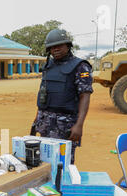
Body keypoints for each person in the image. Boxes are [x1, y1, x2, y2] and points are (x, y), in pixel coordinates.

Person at [31, 29, 93, 164]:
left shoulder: (80, 66)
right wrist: (37, 119)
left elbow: (85, 96)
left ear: (68, 45)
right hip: (45, 122)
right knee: (43, 162)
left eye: (59, 45)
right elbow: (43, 92)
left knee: (63, 164)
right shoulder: (48, 65)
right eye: (52, 47)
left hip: (65, 125)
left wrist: (79, 125)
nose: (55, 49)